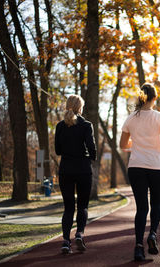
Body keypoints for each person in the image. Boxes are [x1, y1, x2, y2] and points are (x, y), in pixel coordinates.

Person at [119, 83, 160, 261]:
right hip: (157, 166)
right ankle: (152, 234)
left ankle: (138, 247)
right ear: (154, 98)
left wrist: (135, 146)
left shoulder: (131, 118)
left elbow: (122, 145)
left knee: (141, 208)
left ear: (140, 97)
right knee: (157, 205)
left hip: (136, 166)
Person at [55, 95, 96, 254]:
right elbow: (91, 148)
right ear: (80, 107)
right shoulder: (86, 125)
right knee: (83, 206)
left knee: (68, 207)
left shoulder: (60, 126)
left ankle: (66, 241)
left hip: (66, 169)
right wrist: (92, 157)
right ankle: (79, 233)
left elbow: (58, 150)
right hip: (83, 169)